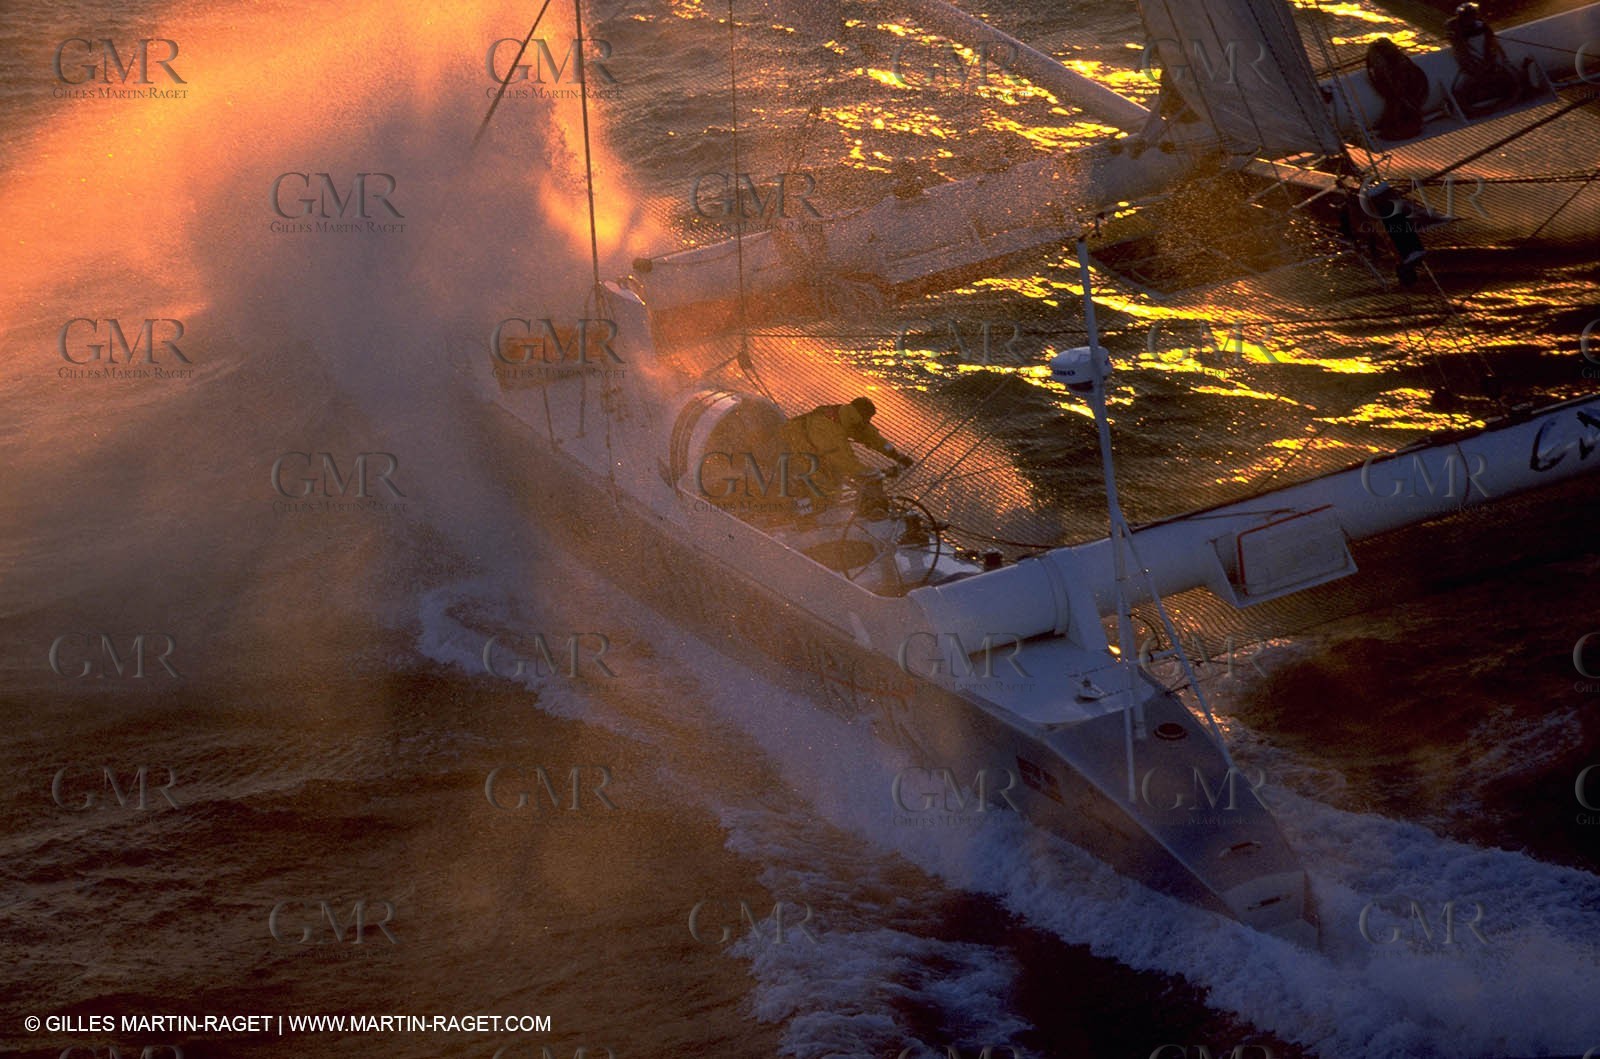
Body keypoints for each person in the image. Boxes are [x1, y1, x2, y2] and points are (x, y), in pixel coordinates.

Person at [780, 396, 913, 504]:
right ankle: (812, 520)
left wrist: (895, 455)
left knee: (834, 481)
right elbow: (845, 461)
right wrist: (873, 473)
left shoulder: (848, 418)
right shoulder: (829, 428)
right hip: (792, 448)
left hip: (814, 450)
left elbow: (871, 436)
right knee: (825, 487)